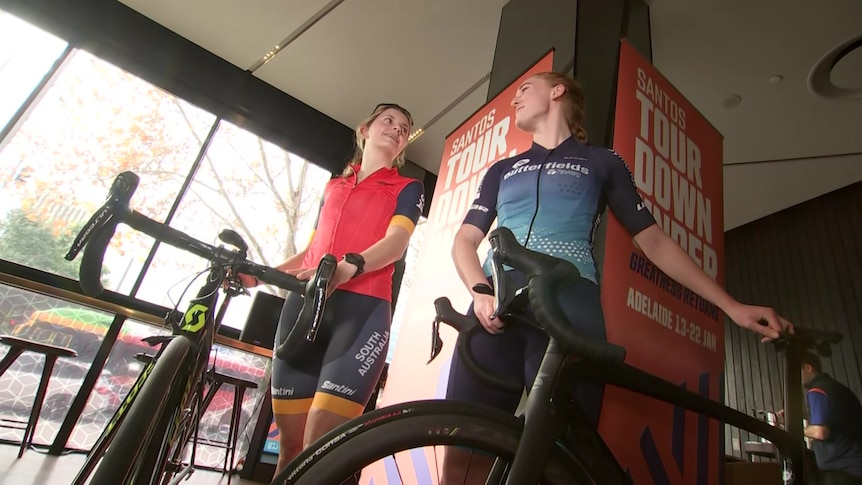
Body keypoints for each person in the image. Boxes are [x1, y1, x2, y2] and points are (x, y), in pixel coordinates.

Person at [443, 71, 794, 482]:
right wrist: (480, 290)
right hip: (494, 308)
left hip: (569, 308)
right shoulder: (501, 171)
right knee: (464, 456)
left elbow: (656, 244)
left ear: (557, 91)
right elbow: (465, 241)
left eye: (524, 89)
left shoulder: (601, 162)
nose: (515, 99)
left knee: (564, 461)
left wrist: (731, 307)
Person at [239, 103, 425, 475]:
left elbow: (396, 243)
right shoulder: (333, 186)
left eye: (404, 128)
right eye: (388, 120)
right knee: (289, 454)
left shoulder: (408, 187)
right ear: (365, 129)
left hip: (362, 313)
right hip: (304, 309)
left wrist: (348, 267)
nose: (397, 128)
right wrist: (261, 273)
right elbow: (311, 250)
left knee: (318, 455)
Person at [797, 351, 862, 483]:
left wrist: (794, 428)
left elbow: (820, 432)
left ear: (808, 368)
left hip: (844, 473)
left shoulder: (817, 391)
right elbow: (835, 418)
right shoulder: (837, 388)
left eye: (798, 372)